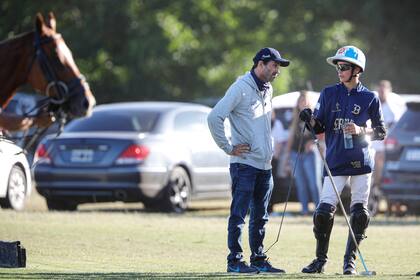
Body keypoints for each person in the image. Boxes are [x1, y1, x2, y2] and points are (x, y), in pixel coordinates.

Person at [299, 46, 386, 275]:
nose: (340, 71)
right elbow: (319, 127)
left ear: (357, 70)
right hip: (335, 160)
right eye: (338, 67)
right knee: (322, 212)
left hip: (361, 161)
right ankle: (320, 261)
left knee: (359, 213)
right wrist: (309, 119)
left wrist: (360, 130)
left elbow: (381, 132)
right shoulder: (328, 93)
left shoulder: (370, 98)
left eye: (344, 67)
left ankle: (350, 262)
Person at [207, 47, 290, 274]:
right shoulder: (240, 88)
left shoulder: (268, 89)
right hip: (244, 165)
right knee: (239, 215)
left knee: (261, 217)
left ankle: (258, 260)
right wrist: (228, 148)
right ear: (260, 64)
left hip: (264, 166)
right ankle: (234, 261)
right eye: (274, 65)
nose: (277, 71)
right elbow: (214, 117)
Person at [370, 80, 406, 214]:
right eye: (379, 90)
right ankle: (374, 207)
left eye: (383, 90)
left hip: (385, 151)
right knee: (372, 181)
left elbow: (394, 128)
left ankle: (389, 208)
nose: (381, 93)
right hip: (373, 148)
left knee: (382, 180)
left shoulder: (392, 109)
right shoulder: (374, 105)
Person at [284, 91, 321, 215]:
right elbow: (290, 139)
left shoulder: (313, 117)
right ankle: (304, 210)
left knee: (314, 183)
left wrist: (311, 143)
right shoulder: (294, 118)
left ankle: (319, 210)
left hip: (310, 154)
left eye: (304, 101)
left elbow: (321, 135)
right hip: (296, 154)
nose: (302, 103)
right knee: (301, 184)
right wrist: (286, 158)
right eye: (300, 101)